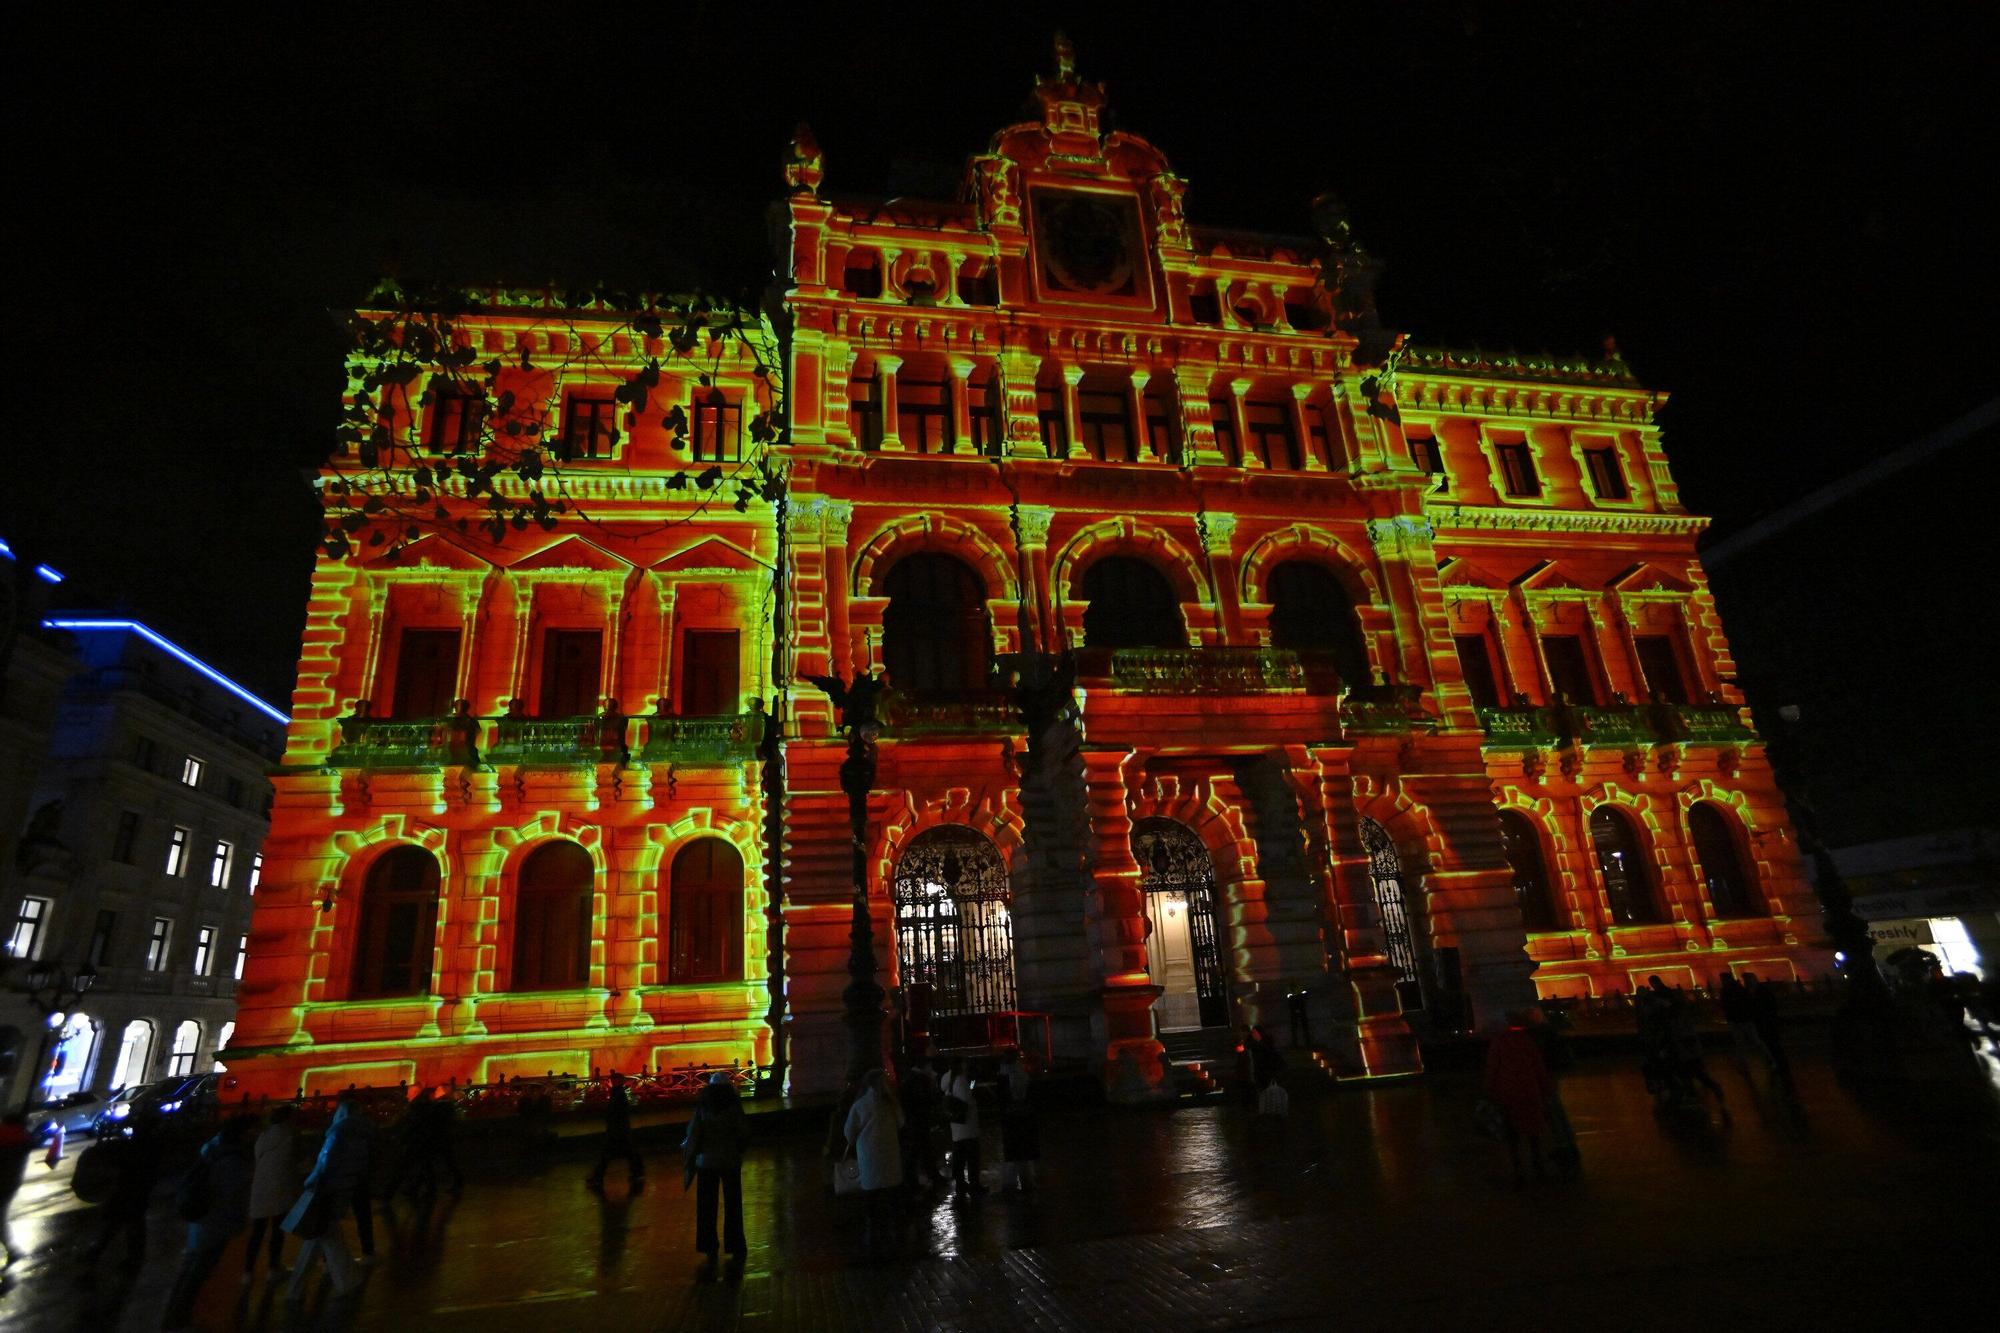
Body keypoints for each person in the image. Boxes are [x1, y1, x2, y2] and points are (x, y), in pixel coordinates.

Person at [160, 1114, 258, 1330]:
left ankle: (172, 1316)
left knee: (190, 1268)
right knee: (198, 1272)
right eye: (252, 1129)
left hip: (200, 1218)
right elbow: (232, 1196)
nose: (255, 1133)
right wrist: (239, 1222)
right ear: (241, 1133)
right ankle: (179, 1319)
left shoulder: (214, 1148)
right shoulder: (234, 1160)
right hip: (216, 1222)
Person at [287, 1094, 367, 1300]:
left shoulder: (337, 1133)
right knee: (324, 1235)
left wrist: (310, 1180)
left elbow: (325, 1162)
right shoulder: (361, 1135)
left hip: (326, 1191)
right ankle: (345, 1281)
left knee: (324, 1236)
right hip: (343, 1190)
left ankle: (341, 1282)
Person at [680, 1073, 748, 1260]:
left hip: (706, 1161)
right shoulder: (734, 1105)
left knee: (706, 1205)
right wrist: (739, 1148)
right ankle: (735, 1244)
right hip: (730, 1159)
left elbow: (694, 1131)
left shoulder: (704, 1105)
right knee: (733, 1204)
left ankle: (708, 1245)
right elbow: (743, 1131)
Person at [842, 1069, 904, 1263]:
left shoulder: (860, 1105)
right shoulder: (890, 1103)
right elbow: (901, 1123)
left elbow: (849, 1133)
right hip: (891, 1160)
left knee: (872, 1203)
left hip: (869, 1160)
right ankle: (893, 1237)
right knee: (891, 1200)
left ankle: (873, 1239)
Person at [1482, 1012, 1553, 1183]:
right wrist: (1545, 1088)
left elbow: (1492, 1067)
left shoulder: (1500, 1041)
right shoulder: (1528, 1041)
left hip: (1508, 1091)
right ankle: (1537, 1163)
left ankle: (1517, 1166)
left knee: (1512, 1130)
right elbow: (1538, 1066)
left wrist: (1488, 1089)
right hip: (1529, 1089)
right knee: (1533, 1129)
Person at [87, 1112, 164, 1267]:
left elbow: (118, 1158)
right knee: (126, 1224)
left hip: (130, 1190)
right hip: (136, 1190)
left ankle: (128, 1259)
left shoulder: (138, 1146)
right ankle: (124, 1257)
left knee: (124, 1224)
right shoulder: (150, 1145)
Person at [244, 1104, 299, 1283]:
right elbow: (294, 1162)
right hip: (280, 1188)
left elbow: (257, 1157)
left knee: (257, 1232)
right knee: (277, 1231)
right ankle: (273, 1268)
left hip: (260, 1188)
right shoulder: (289, 1136)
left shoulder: (263, 1137)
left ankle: (248, 1272)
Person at [587, 1072, 644, 1190]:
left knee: (607, 1155)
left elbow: (613, 1111)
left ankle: (598, 1177)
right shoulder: (621, 1093)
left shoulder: (616, 1094)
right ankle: (637, 1173)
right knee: (630, 1153)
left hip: (616, 1130)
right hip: (622, 1129)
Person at [940, 1058, 984, 1198]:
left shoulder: (948, 1079)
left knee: (959, 1156)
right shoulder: (960, 1080)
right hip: (967, 1125)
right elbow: (967, 1098)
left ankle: (960, 1183)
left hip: (956, 1126)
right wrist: (973, 1090)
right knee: (972, 1157)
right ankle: (974, 1184)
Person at [997, 1049, 1039, 1193]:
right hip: (1022, 1117)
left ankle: (1010, 1183)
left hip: (1009, 1117)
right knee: (1022, 1151)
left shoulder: (1002, 1076)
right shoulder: (1021, 1075)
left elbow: (1001, 1097)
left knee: (1012, 1152)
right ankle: (1026, 1182)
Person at [1, 1112, 31, 1268]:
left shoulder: (3, 1136)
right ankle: (12, 1250)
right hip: (11, 1184)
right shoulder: (23, 1138)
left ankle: (13, 1251)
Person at [1744, 973, 1790, 1076]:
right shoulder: (1760, 991)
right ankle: (1779, 1064)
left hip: (1765, 1022)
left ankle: (1777, 1063)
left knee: (1771, 1044)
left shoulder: (1754, 992)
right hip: (1765, 1022)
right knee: (1771, 1044)